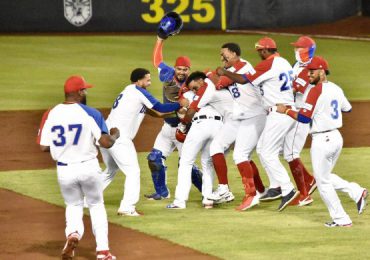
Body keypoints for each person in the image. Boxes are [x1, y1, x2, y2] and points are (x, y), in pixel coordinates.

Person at [276, 56, 368, 226]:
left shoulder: (315, 91)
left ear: (322, 72)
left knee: (322, 181)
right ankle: (357, 192)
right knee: (325, 176)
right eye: (307, 71)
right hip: (336, 138)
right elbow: (347, 108)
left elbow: (303, 118)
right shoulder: (336, 88)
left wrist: (286, 110)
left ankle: (341, 219)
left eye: (312, 71)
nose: (308, 74)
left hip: (322, 141)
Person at [38, 75, 118, 259]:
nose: (86, 92)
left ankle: (73, 233)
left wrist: (65, 147)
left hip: (64, 169)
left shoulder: (51, 113)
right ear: (79, 92)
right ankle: (103, 252)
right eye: (85, 89)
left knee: (73, 205)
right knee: (96, 205)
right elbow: (106, 143)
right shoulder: (90, 112)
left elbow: (43, 146)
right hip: (88, 167)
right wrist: (115, 134)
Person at [216, 37, 299, 211]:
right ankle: (276, 187)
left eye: (261, 51)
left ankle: (288, 189)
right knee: (262, 149)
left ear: (266, 50)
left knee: (266, 153)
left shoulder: (268, 64)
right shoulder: (284, 62)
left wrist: (225, 73)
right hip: (282, 110)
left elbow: (244, 79)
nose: (259, 54)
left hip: (279, 112)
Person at [100, 68, 188, 216]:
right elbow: (159, 107)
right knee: (133, 172)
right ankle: (127, 207)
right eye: (147, 79)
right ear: (139, 80)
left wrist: (174, 113)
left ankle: (86, 199)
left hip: (105, 136)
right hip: (119, 138)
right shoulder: (138, 92)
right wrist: (179, 104)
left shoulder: (128, 91)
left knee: (110, 170)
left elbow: (154, 112)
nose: (150, 81)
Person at [205, 42, 267, 211]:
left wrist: (210, 74)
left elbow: (219, 83)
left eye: (223, 54)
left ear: (233, 54)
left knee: (241, 154)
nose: (221, 57)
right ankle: (240, 189)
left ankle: (252, 194)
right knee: (218, 146)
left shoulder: (243, 66)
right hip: (242, 116)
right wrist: (213, 75)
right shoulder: (232, 70)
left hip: (256, 116)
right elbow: (220, 82)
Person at [144, 35, 203, 200]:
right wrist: (159, 40)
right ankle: (162, 193)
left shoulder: (193, 85)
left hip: (184, 132)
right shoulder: (168, 74)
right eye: (179, 69)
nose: (182, 72)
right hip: (167, 129)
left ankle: (207, 191)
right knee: (154, 158)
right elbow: (157, 61)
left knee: (187, 166)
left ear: (189, 70)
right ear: (175, 68)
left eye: (185, 69)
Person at [166, 72, 226, 209]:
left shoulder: (188, 95)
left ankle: (179, 201)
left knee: (186, 162)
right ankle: (208, 199)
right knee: (208, 162)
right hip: (219, 126)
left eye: (194, 87)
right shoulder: (214, 89)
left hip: (200, 125)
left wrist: (182, 126)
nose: (194, 90)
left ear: (199, 81)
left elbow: (183, 113)